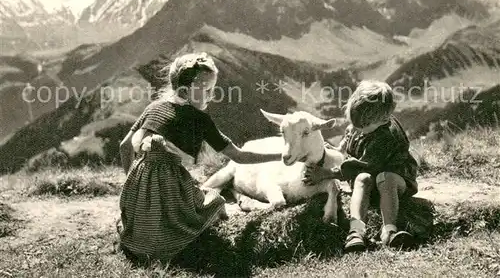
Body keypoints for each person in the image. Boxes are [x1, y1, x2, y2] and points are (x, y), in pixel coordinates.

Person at [117, 52, 282, 265]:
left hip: (136, 193)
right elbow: (239, 156)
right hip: (173, 190)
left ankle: (146, 232)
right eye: (207, 90)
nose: (211, 96)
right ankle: (181, 233)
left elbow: (124, 147)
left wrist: (132, 186)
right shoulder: (200, 119)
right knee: (215, 201)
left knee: (155, 214)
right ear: (185, 91)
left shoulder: (153, 108)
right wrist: (280, 156)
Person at [303, 80, 418, 252]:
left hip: (396, 180)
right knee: (363, 179)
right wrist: (340, 148)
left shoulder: (385, 137)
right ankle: (356, 231)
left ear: (384, 118)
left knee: (385, 178)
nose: (358, 129)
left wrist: (325, 173)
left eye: (363, 126)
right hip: (368, 179)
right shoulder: (365, 121)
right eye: (355, 123)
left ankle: (389, 231)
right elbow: (350, 133)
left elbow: (358, 167)